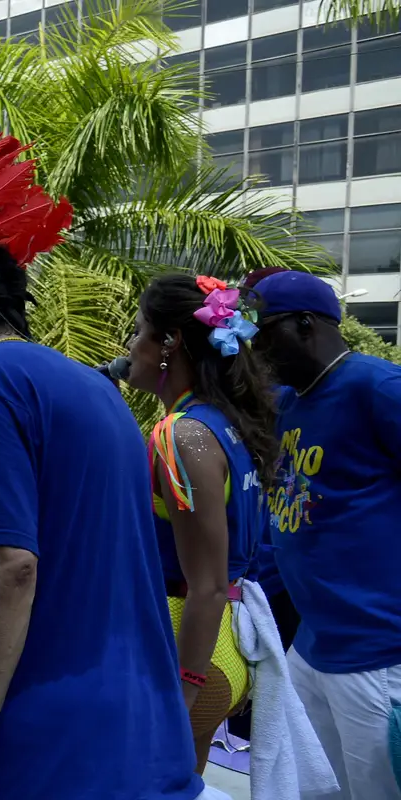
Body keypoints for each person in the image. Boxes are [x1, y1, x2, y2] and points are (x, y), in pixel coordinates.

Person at [0, 135, 202, 800]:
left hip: (61, 740)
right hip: (144, 729)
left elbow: (9, 563)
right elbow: (30, 524)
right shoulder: (91, 387)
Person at [242, 267, 401, 800]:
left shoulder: (377, 387)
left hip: (378, 653)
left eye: (262, 334)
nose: (255, 351)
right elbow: (285, 513)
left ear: (305, 324)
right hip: (311, 649)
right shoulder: (288, 404)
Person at [123, 274, 280, 769]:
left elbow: (206, 586)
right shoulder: (227, 423)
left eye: (138, 331)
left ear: (169, 342)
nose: (129, 346)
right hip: (221, 645)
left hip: (185, 650)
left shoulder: (181, 435)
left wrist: (184, 690)